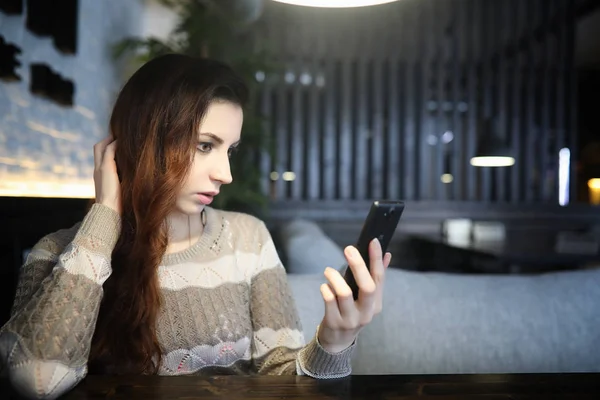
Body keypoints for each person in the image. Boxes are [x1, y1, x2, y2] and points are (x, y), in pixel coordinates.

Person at [0, 54, 391, 399]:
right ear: (145, 142)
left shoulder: (248, 238)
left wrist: (334, 341)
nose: (226, 174)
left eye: (230, 150)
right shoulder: (58, 253)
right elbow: (38, 381)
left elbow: (284, 383)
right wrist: (105, 213)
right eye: (205, 145)